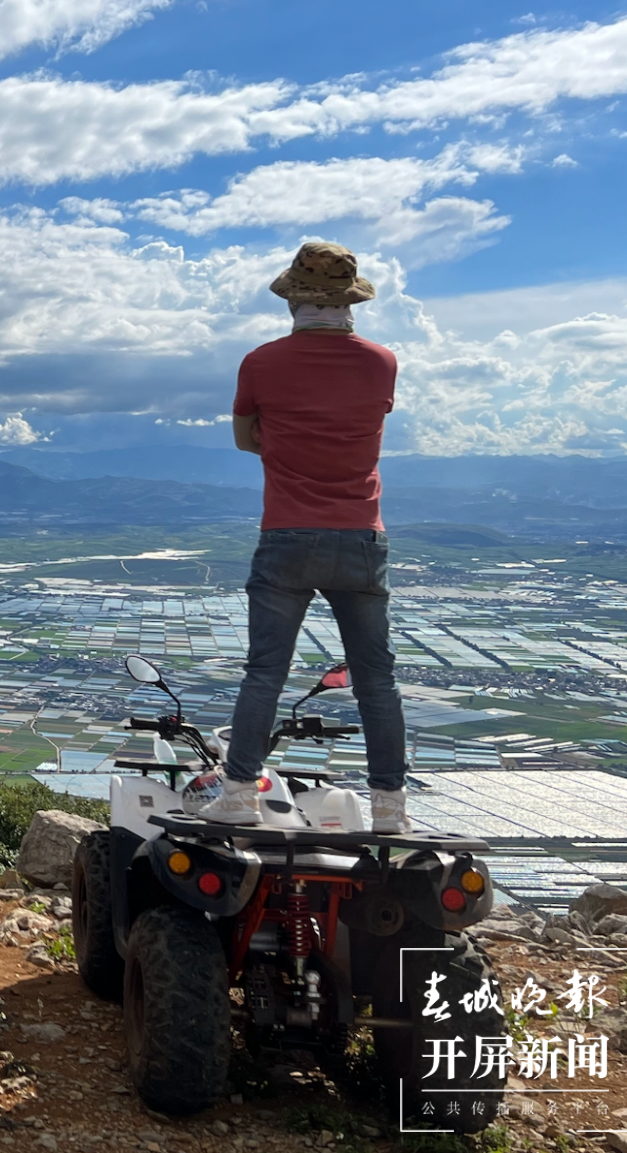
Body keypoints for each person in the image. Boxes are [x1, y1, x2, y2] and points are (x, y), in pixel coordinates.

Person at [199, 241, 409, 833]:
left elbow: (247, 440)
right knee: (377, 680)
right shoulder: (381, 363)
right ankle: (390, 809)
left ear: (292, 298)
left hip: (286, 534)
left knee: (264, 672)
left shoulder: (260, 363)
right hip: (361, 537)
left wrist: (284, 438)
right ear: (350, 300)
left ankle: (239, 793)